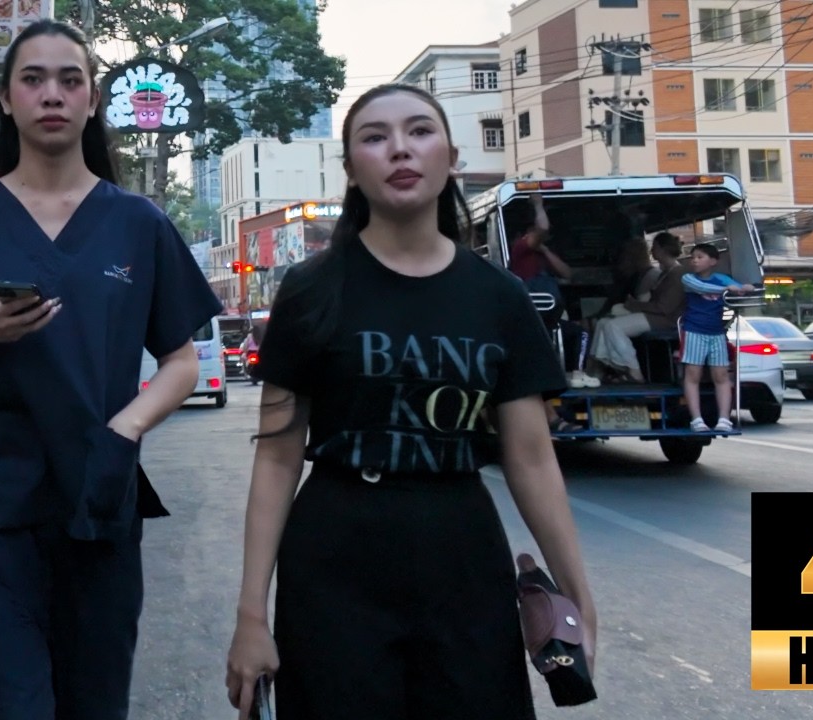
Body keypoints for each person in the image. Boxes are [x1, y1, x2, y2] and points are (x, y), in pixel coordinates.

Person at [224, 83, 597, 720]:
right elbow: (278, 460)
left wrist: (580, 600)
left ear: (450, 156)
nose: (400, 148)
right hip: (333, 559)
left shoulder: (499, 298)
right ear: (351, 170)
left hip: (463, 554)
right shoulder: (311, 290)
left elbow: (532, 461)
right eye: (374, 137)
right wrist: (252, 616)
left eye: (420, 131)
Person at [0, 20, 221, 719]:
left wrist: (127, 428)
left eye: (70, 80)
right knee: (14, 705)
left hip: (98, 499)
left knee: (94, 704)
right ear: (8, 100)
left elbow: (181, 361)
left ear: (93, 99)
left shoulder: (137, 222)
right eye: (34, 79)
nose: (53, 94)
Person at [506, 193, 594, 430]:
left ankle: (576, 373)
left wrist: (544, 250)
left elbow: (567, 274)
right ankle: (553, 418)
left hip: (550, 318)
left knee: (580, 332)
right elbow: (543, 226)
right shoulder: (521, 248)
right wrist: (538, 204)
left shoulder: (539, 256)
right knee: (536, 362)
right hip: (532, 318)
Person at [587, 231, 688, 383]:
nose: (652, 251)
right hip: (656, 315)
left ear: (661, 249)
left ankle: (632, 368)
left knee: (614, 326)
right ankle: (600, 365)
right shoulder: (665, 273)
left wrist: (635, 305)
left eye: (654, 247)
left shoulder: (678, 274)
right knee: (603, 323)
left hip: (667, 319)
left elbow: (664, 307)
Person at [680, 242, 755, 432]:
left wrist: (746, 287)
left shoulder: (722, 278)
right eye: (693, 257)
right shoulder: (688, 278)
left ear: (713, 261)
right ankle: (696, 419)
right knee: (692, 374)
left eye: (700, 257)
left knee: (721, 375)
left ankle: (724, 419)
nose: (695, 261)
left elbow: (742, 289)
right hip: (694, 331)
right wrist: (728, 289)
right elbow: (701, 288)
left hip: (717, 332)